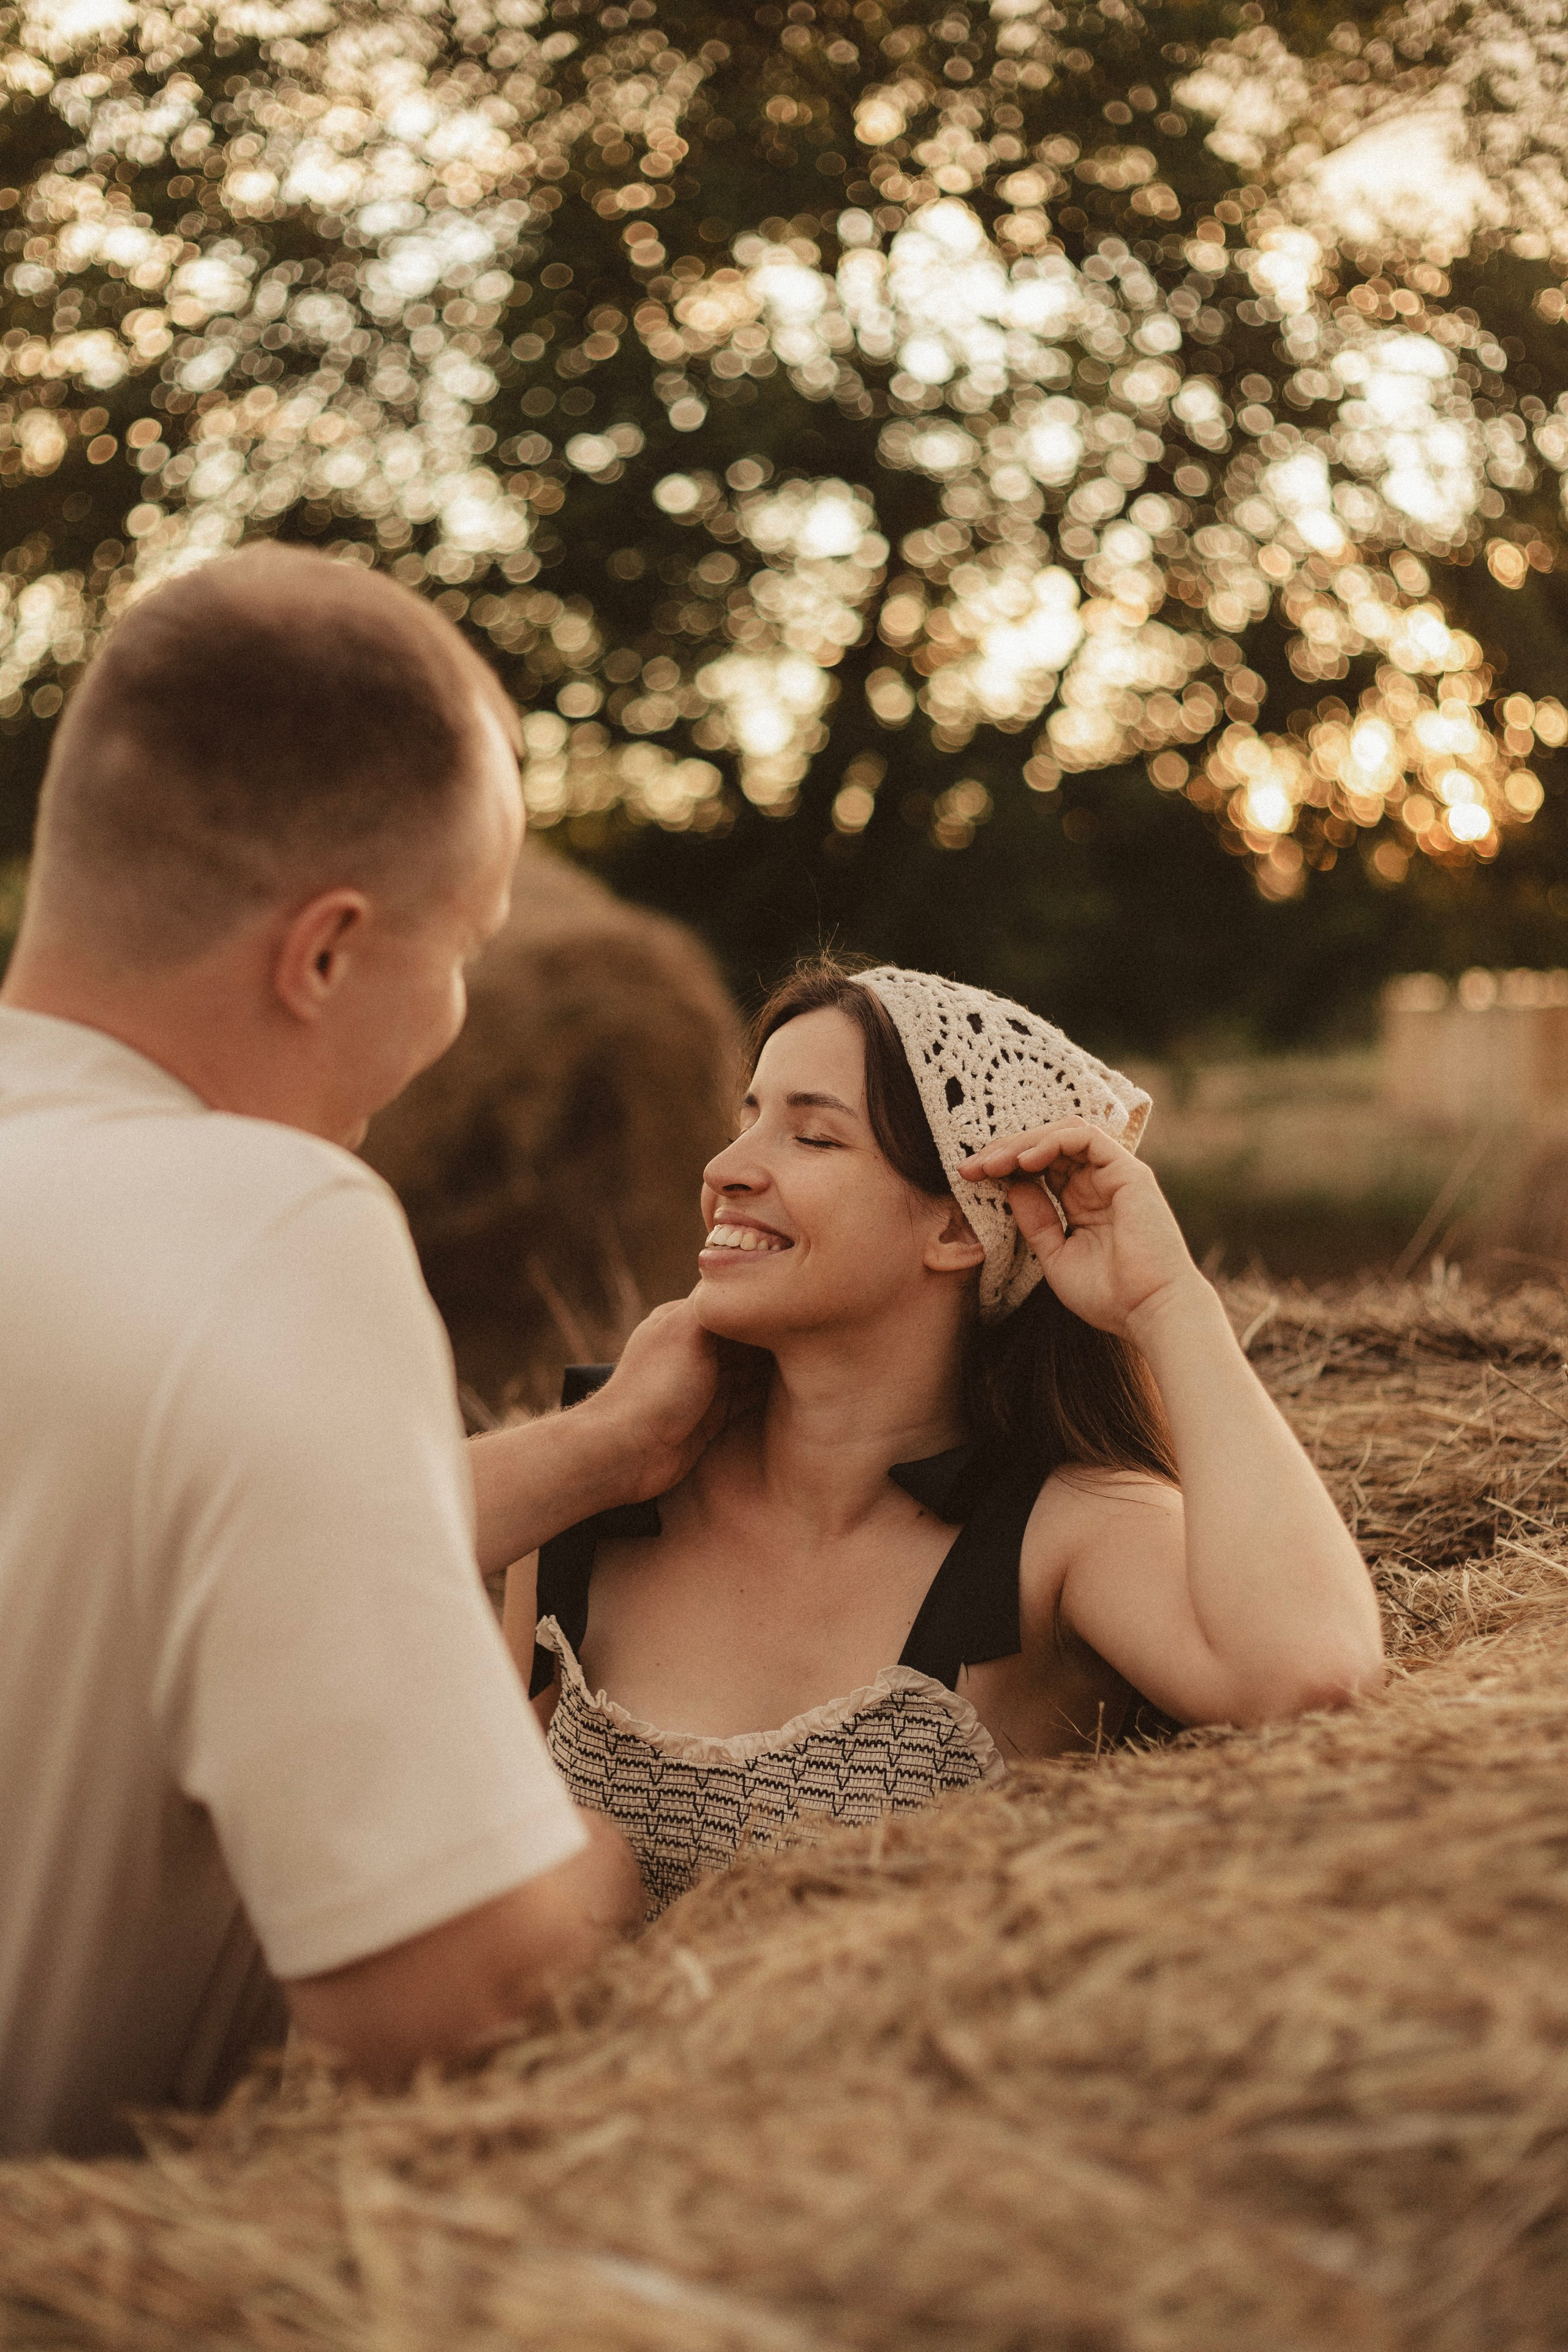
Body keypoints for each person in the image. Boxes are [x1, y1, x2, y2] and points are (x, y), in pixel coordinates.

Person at [0, 545, 729, 2158]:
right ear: (324, 953)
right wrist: (616, 1854)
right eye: (458, 949)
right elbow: (441, 1992)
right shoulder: (274, 1228)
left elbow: (146, 1517)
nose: (454, 1015)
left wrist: (601, 1451)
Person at [505, 959, 1385, 1917]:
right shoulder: (595, 1492)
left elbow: (1313, 1676)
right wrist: (607, 1440)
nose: (725, 1171)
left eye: (812, 1136)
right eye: (745, 1119)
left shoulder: (1059, 1533)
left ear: (963, 1231)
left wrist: (1170, 1305)